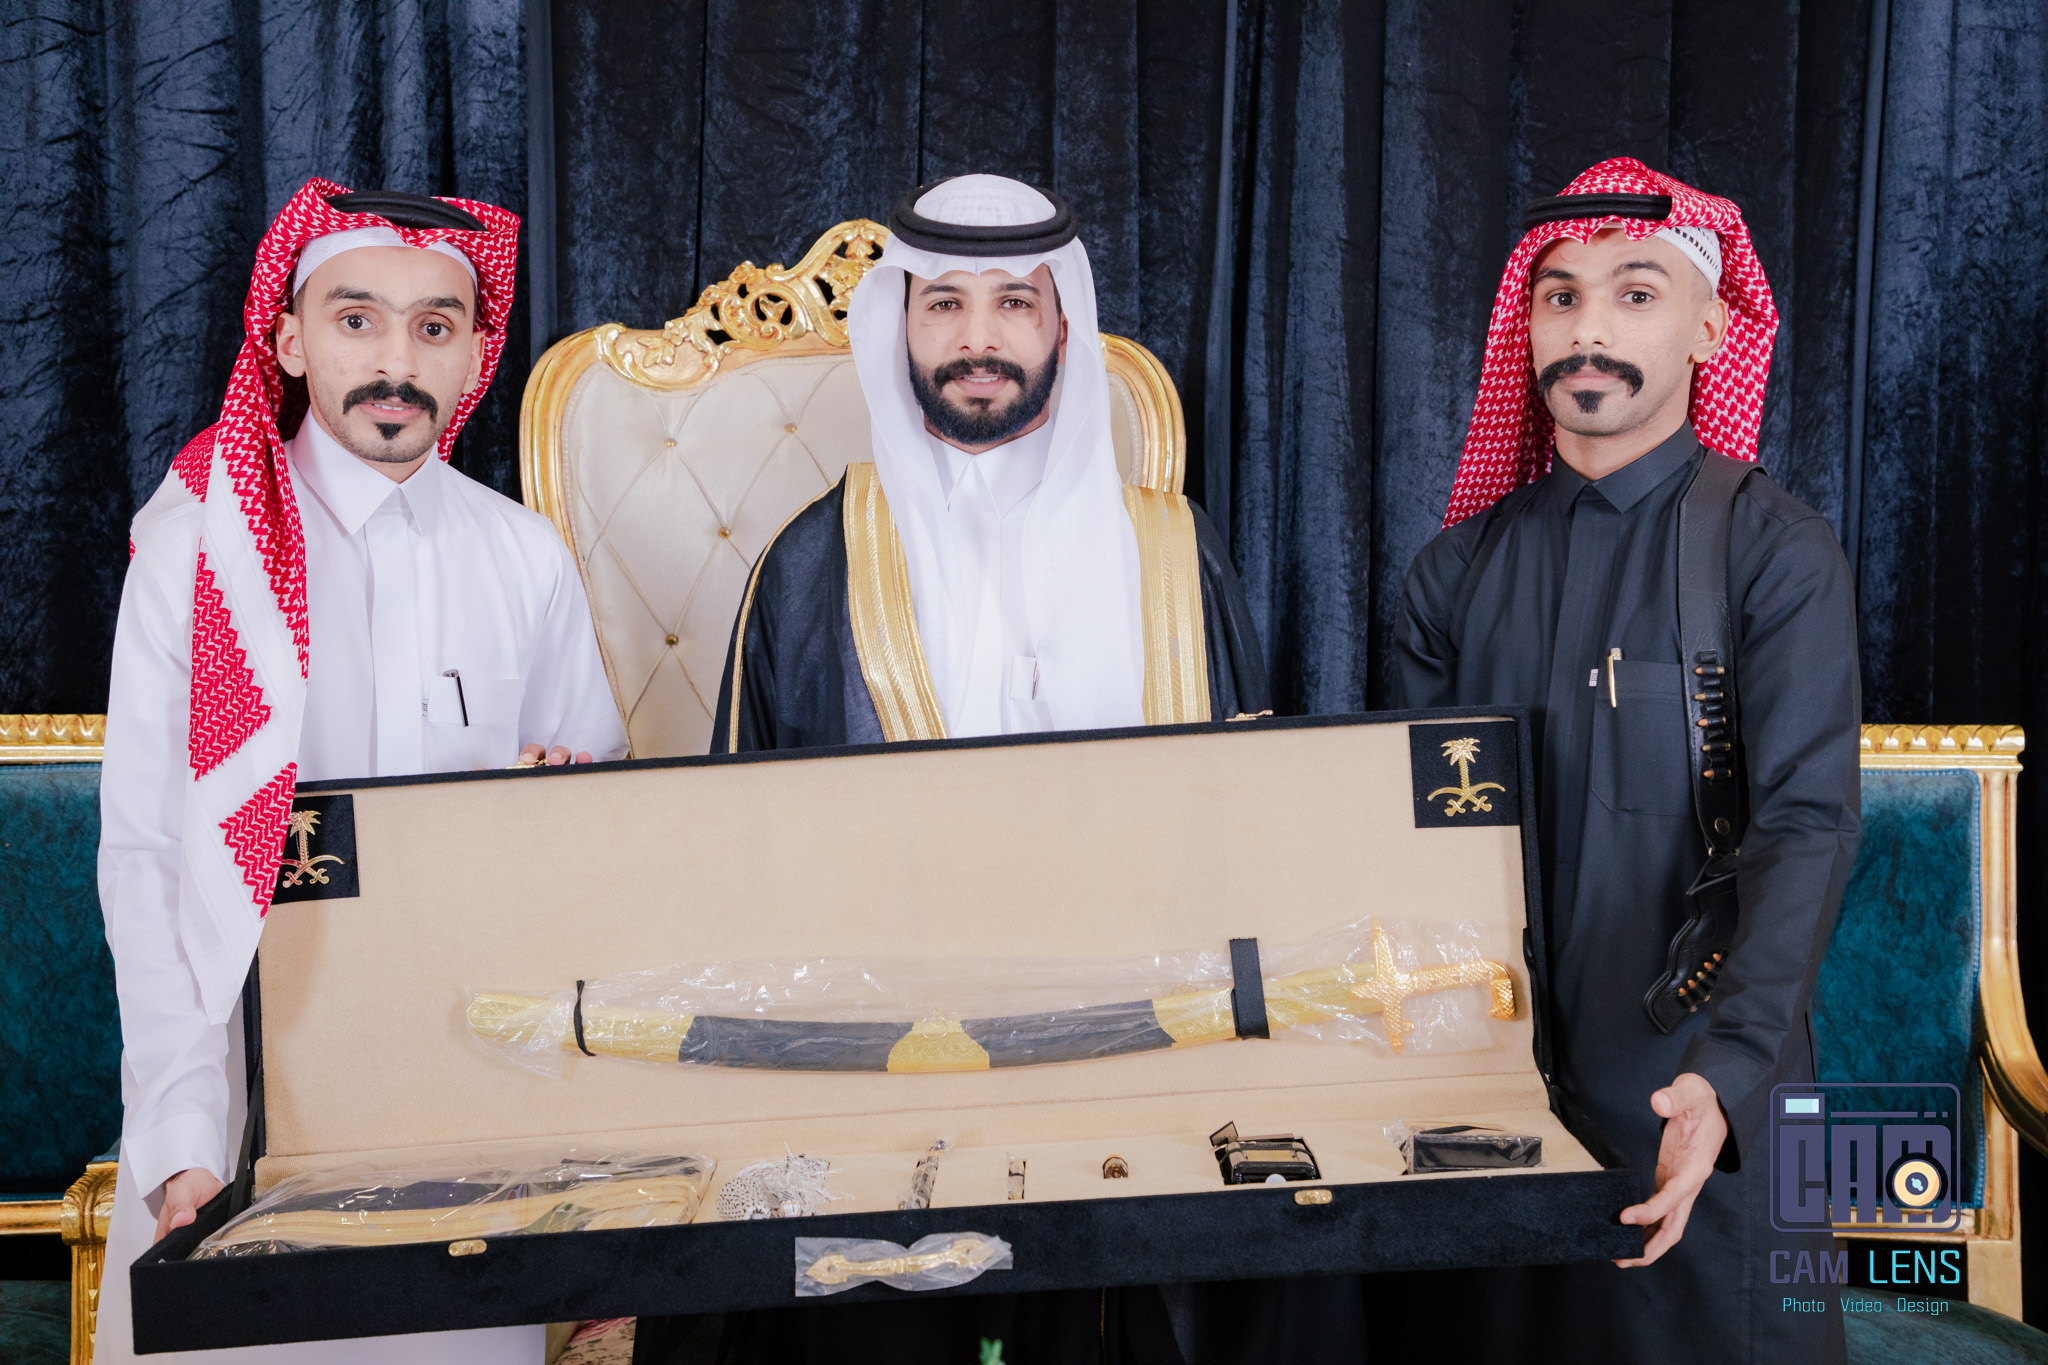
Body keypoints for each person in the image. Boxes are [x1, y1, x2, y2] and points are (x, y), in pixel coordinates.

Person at [96, 180, 627, 1363]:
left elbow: (589, 838)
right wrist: (184, 1140)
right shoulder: (197, 552)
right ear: (288, 340)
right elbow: (148, 864)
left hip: (470, 1100)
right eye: (355, 320)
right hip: (242, 1096)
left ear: (475, 353)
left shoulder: (522, 556)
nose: (396, 361)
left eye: (434, 326)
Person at [1379, 157, 1859, 1363]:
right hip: (1495, 1100)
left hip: (1714, 1088)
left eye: (1634, 294)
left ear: (1708, 330)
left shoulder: (1773, 552)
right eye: (1560, 296)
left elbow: (1803, 828)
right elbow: (1424, 856)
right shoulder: (1450, 576)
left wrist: (1728, 1072)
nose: (1587, 329)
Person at [711, 173, 1268, 752]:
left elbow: (1246, 791)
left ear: (1063, 333)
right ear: (901, 331)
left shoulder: (1177, 554)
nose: (978, 341)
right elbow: (747, 801)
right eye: (945, 303)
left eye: (1015, 302)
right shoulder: (809, 563)